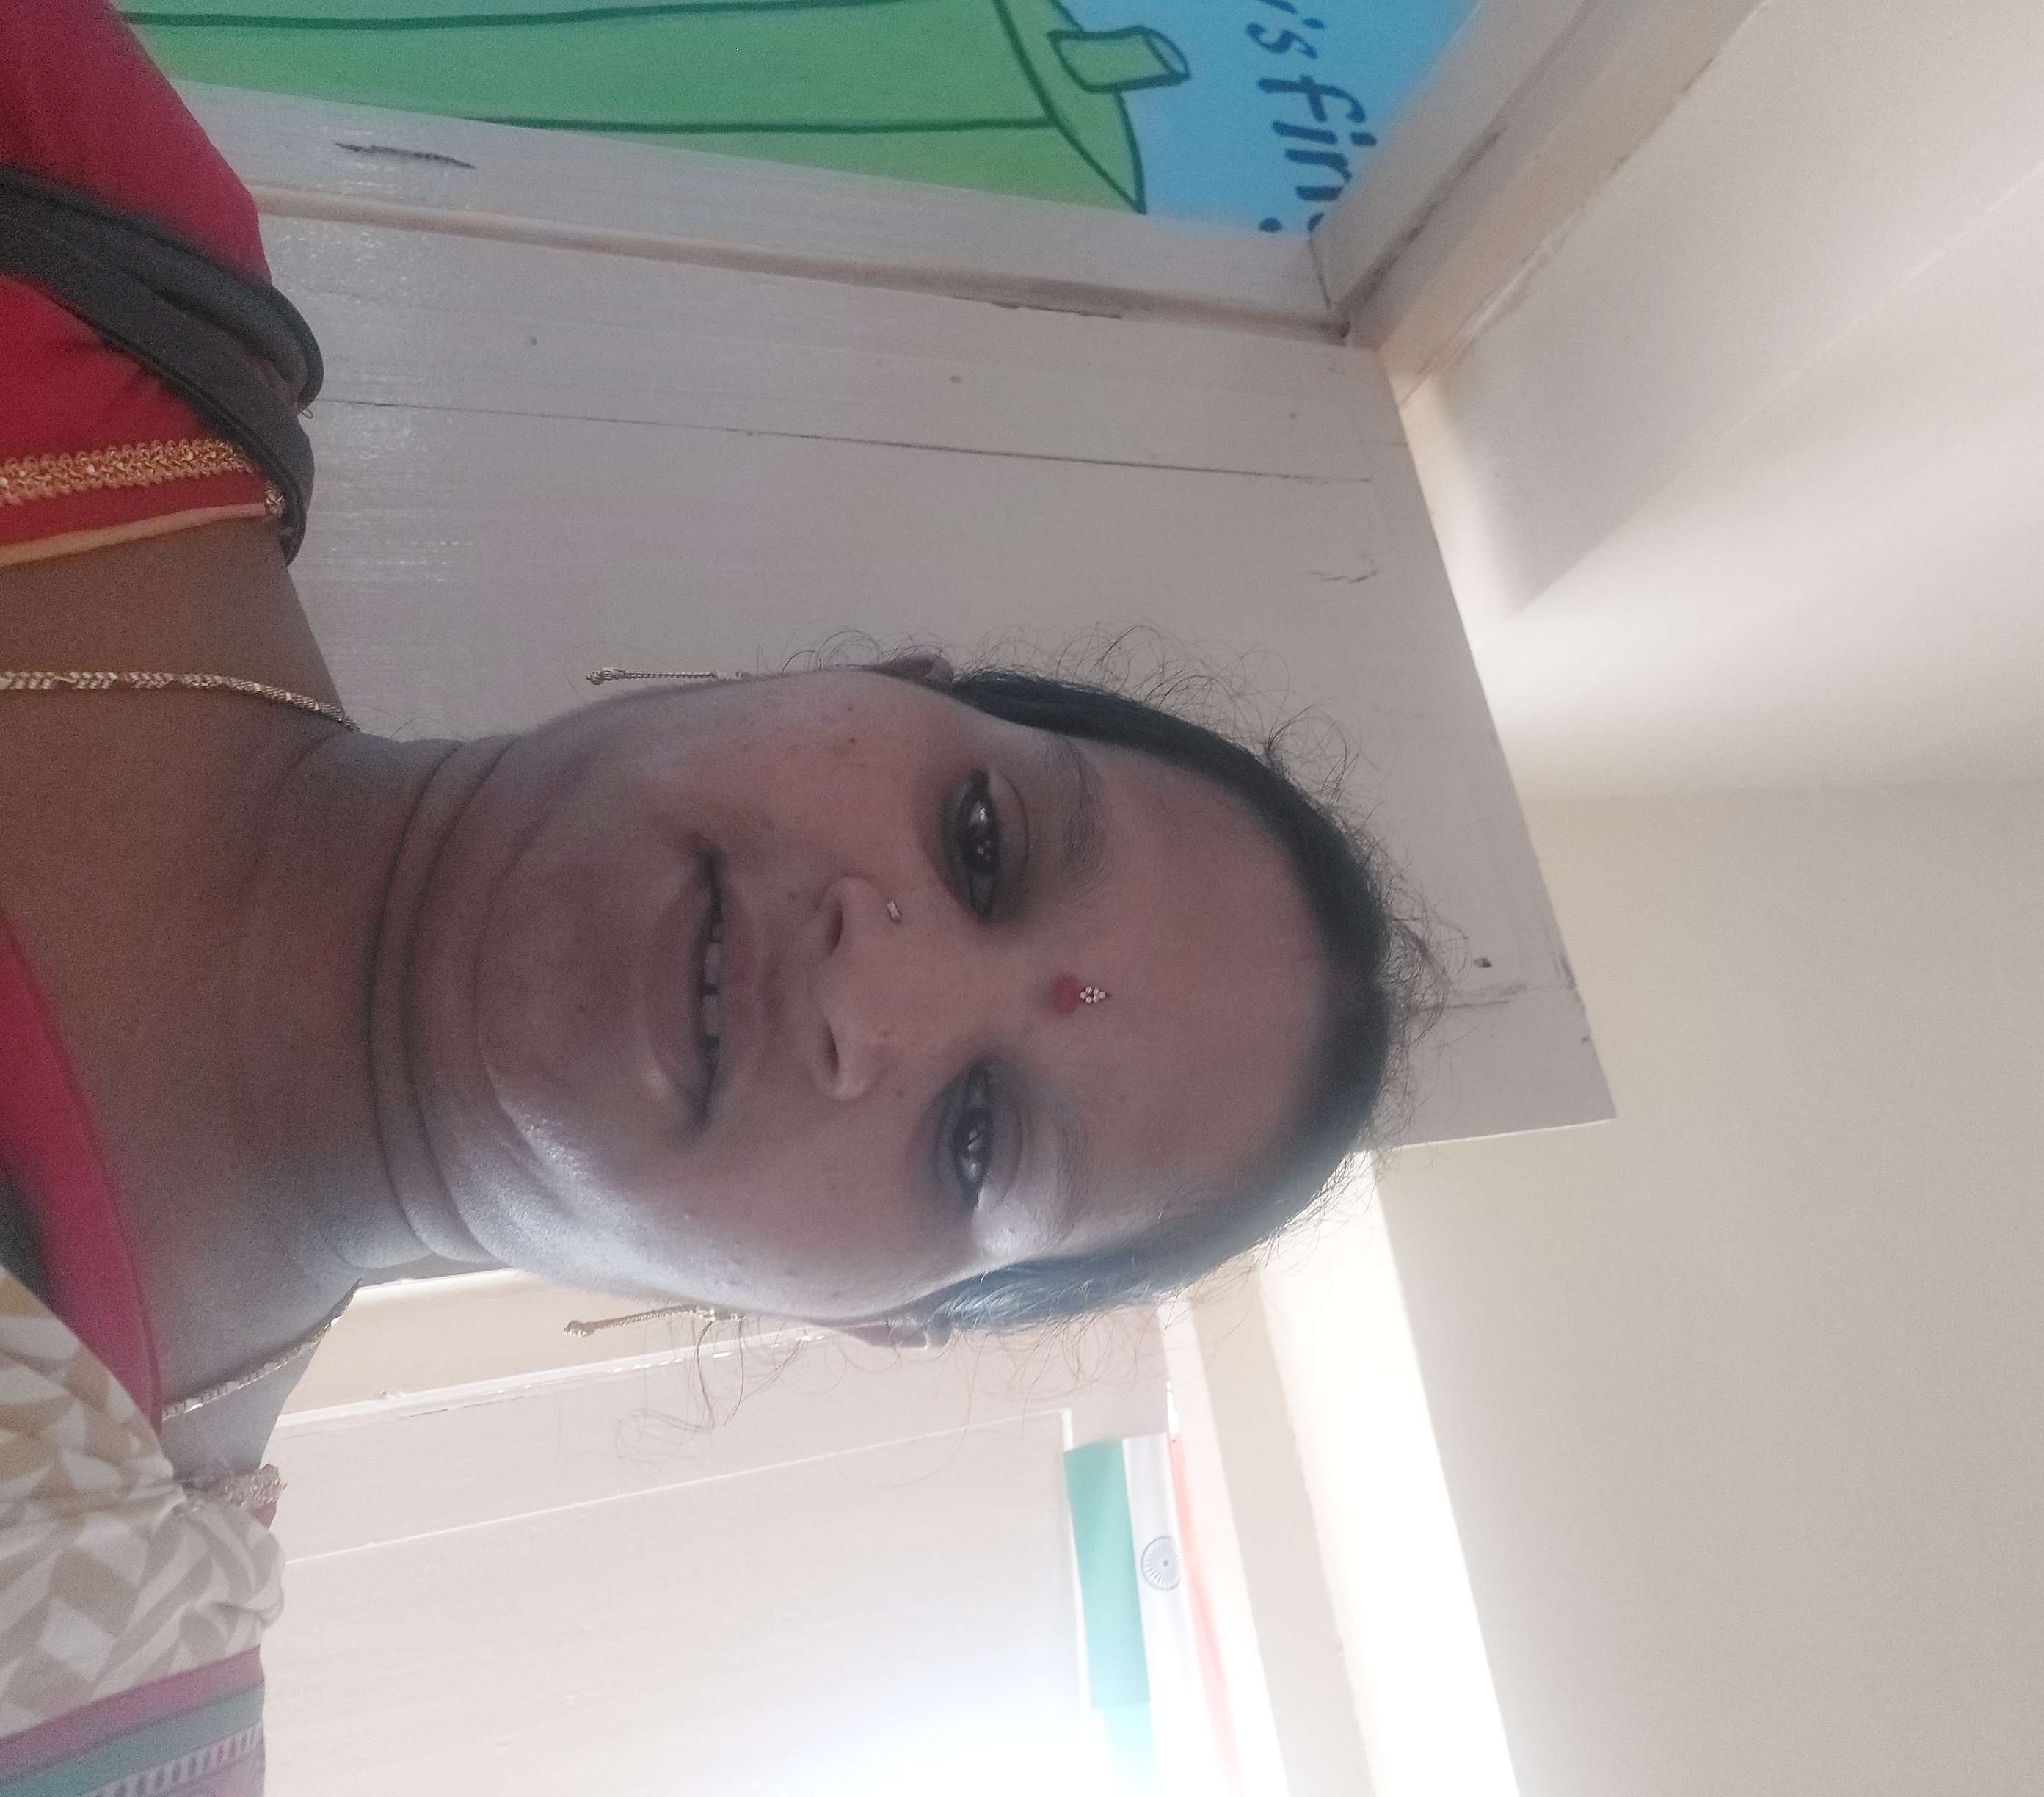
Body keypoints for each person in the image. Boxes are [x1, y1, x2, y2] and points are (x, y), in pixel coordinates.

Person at [0, 2, 1425, 1788]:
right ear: (868, 683)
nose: (862, 997)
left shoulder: (80, 1688)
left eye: (977, 1141)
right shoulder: (106, 248)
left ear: (866, 1317)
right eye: (982, 841)